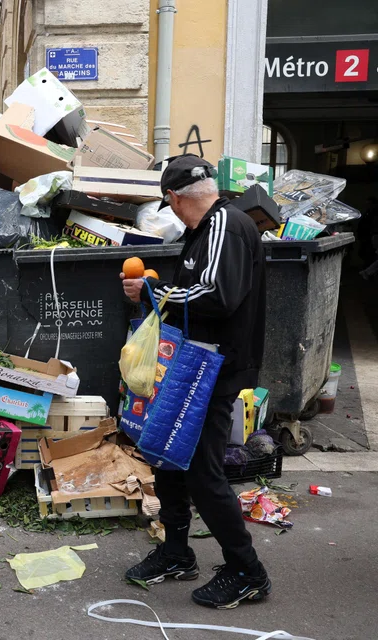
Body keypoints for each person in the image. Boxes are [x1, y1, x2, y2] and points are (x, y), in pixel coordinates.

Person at [120, 155, 269, 609]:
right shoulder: (206, 230)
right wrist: (158, 288)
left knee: (204, 472)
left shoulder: (225, 223)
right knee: (167, 457)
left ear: (176, 198)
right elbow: (200, 291)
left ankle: (247, 571)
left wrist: (152, 290)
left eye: (171, 204)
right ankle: (176, 552)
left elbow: (216, 296)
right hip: (192, 365)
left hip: (214, 370)